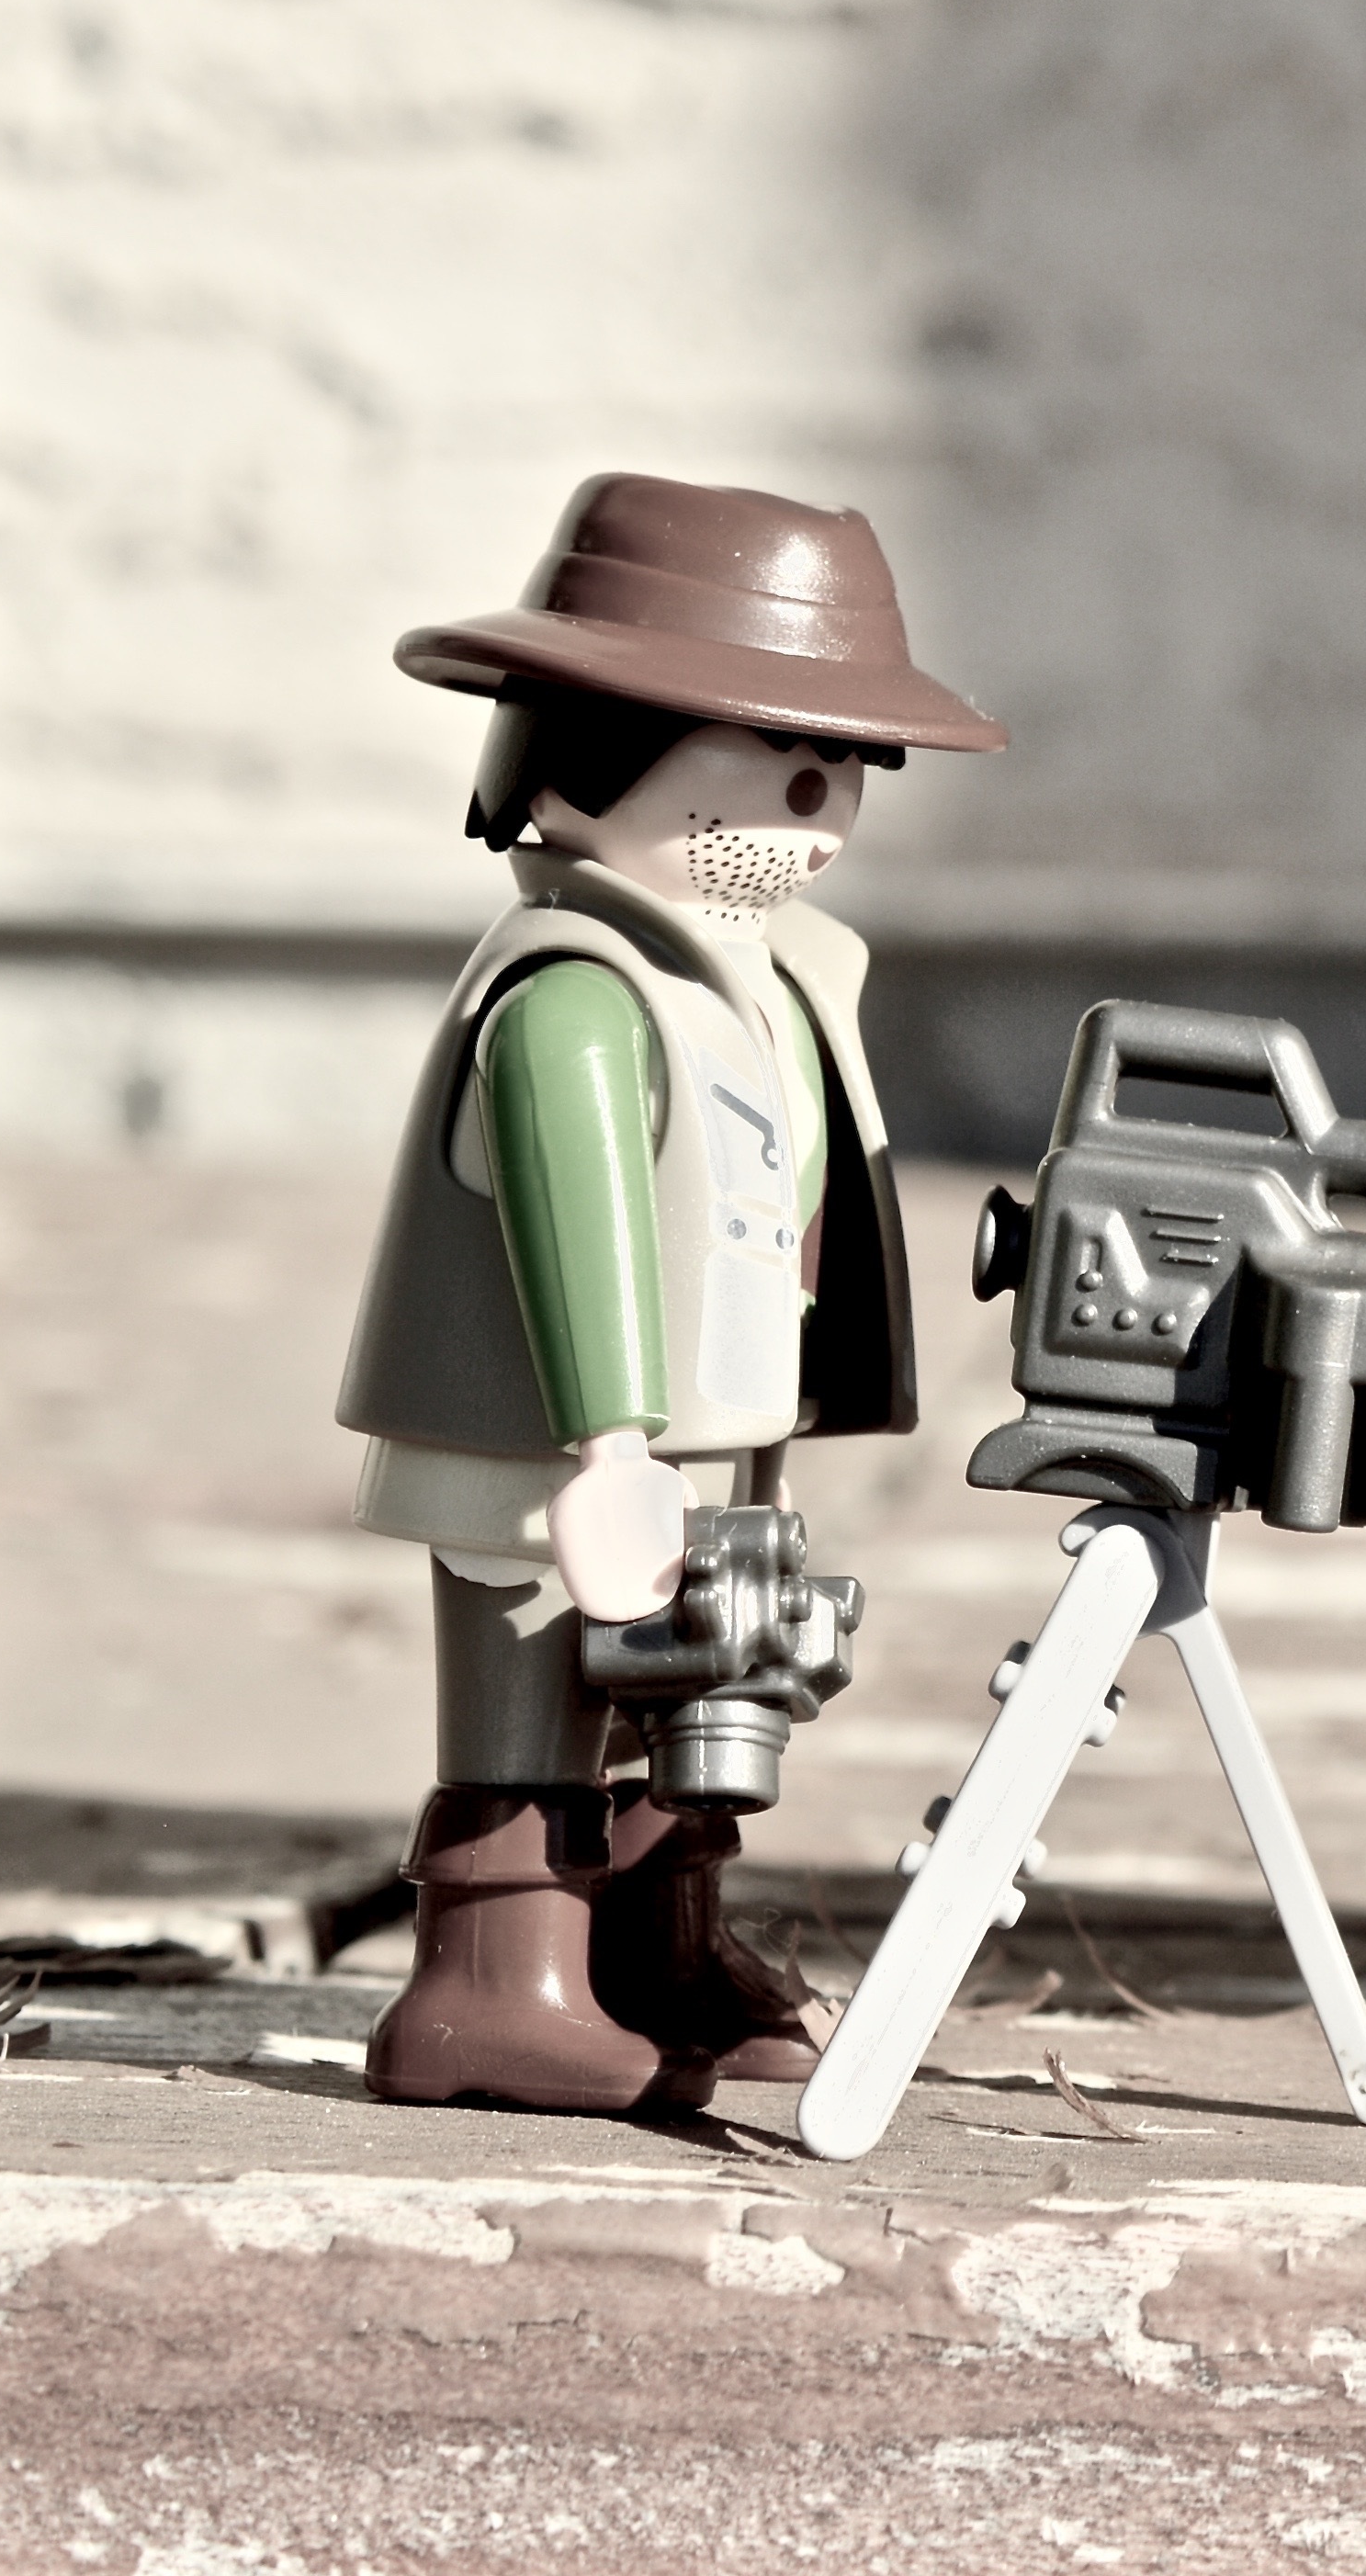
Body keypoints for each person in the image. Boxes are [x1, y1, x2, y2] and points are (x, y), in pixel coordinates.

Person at [342, 472, 1003, 2109]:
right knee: (530, 1687)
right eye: (774, 755)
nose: (820, 803)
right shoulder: (577, 994)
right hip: (551, 1444)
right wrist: (612, 1445)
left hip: (708, 1434)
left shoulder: (771, 977)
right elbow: (578, 1223)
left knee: (697, 1689)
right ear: (590, 747)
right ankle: (487, 1985)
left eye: (848, 764)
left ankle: (653, 1950)